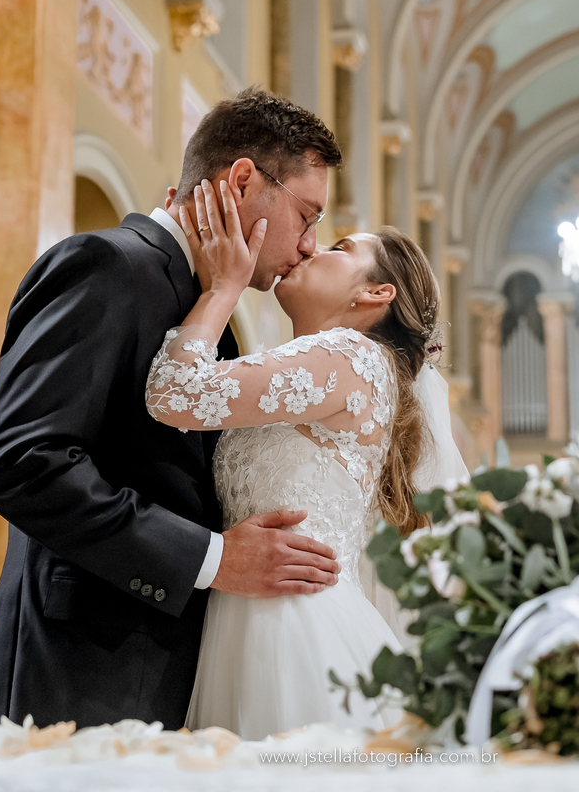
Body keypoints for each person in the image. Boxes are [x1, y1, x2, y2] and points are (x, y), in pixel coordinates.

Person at [0, 88, 345, 731]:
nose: (309, 244)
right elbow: (22, 461)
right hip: (74, 676)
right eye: (307, 216)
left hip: (164, 676)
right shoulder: (106, 267)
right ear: (244, 179)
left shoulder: (208, 315)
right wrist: (215, 558)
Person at [144, 178, 465, 739]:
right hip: (255, 611)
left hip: (294, 627)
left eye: (341, 249)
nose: (315, 247)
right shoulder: (319, 368)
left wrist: (225, 287)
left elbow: (174, 393)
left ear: (375, 293)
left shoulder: (348, 356)